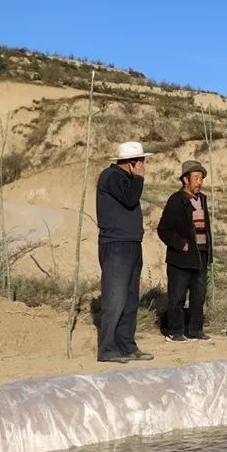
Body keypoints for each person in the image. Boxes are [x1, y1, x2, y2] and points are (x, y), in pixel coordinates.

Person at [96, 141, 155, 363]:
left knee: (130, 299)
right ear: (132, 163)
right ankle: (108, 350)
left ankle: (127, 346)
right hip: (116, 244)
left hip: (131, 242)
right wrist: (139, 177)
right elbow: (130, 199)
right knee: (115, 298)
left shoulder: (126, 179)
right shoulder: (111, 176)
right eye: (141, 162)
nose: (144, 166)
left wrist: (135, 178)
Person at [157, 160, 214, 342]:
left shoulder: (202, 200)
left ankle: (195, 330)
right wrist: (181, 244)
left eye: (201, 178)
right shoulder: (176, 200)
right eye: (196, 177)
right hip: (180, 258)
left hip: (201, 256)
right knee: (177, 297)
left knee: (199, 296)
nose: (199, 181)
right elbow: (163, 229)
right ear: (185, 179)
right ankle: (175, 331)